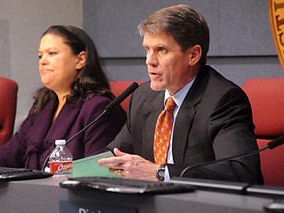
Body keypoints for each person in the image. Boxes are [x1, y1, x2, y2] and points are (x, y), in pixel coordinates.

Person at [98, 4, 263, 184]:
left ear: (193, 55)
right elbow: (113, 157)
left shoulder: (222, 100)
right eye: (147, 49)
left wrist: (159, 172)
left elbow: (241, 170)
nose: (149, 61)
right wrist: (68, 169)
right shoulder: (142, 97)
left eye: (161, 50)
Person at [0, 25, 126, 170]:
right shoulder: (43, 105)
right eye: (40, 56)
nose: (42, 61)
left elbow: (97, 172)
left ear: (80, 60)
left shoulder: (98, 108)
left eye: (52, 53)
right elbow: (8, 155)